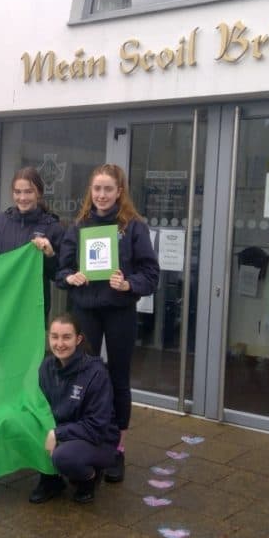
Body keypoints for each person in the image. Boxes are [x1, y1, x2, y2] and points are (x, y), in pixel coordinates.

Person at [55, 164, 159, 484]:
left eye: (108, 189)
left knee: (117, 377)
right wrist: (71, 277)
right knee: (82, 376)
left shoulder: (134, 228)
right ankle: (83, 440)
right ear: (91, 191)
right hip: (86, 310)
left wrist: (128, 284)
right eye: (96, 189)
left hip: (119, 312)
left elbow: (150, 274)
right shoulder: (79, 226)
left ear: (119, 192)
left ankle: (116, 448)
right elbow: (61, 271)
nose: (101, 195)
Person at [30, 313, 119, 504]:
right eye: (54, 336)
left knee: (65, 456)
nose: (59, 343)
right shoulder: (46, 367)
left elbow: (96, 427)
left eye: (66, 337)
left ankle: (88, 478)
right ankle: (50, 480)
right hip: (64, 431)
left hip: (97, 440)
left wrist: (58, 433)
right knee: (20, 424)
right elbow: (38, 405)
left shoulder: (96, 373)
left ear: (78, 339)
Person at [0, 166, 63, 321]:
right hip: (1, 304)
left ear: (39, 193)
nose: (22, 198)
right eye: (18, 192)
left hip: (33, 308)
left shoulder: (52, 227)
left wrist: (50, 254)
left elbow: (59, 275)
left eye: (28, 192)